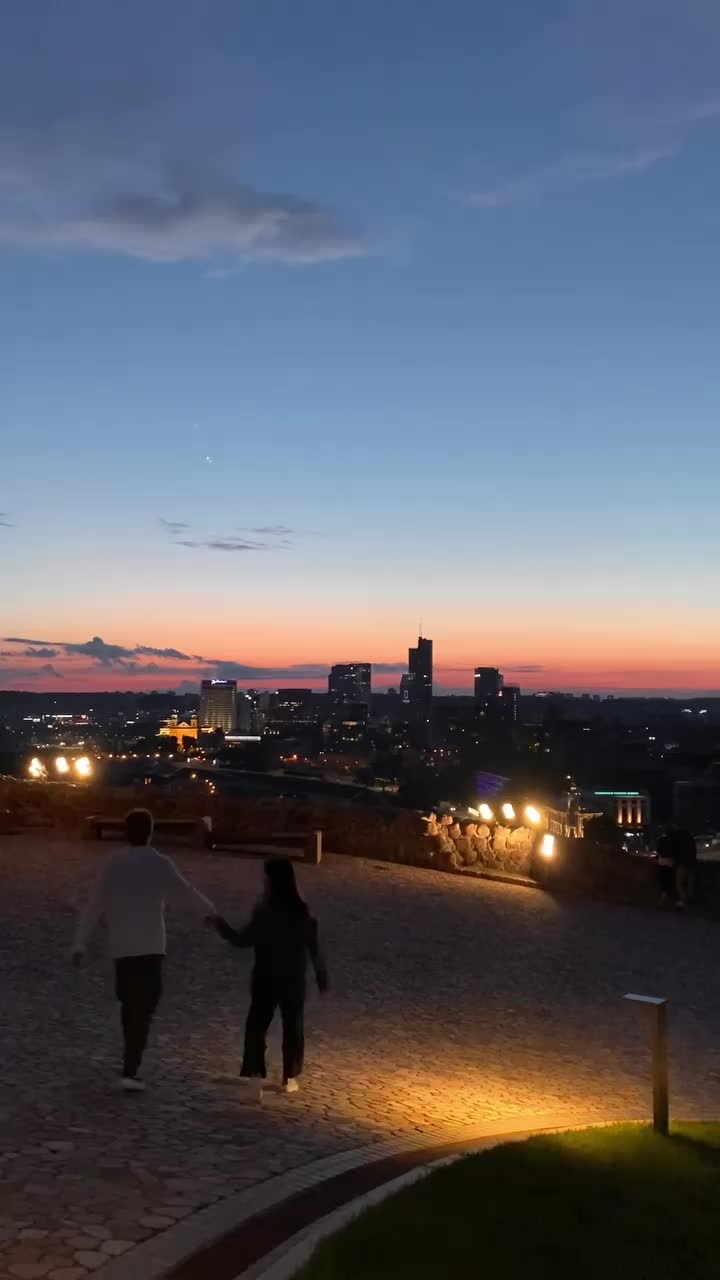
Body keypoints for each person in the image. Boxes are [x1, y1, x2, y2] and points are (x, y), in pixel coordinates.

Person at [72, 808, 218, 1092]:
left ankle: (130, 1063)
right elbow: (185, 892)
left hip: (123, 946)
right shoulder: (160, 863)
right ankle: (131, 1066)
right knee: (145, 1006)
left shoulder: (114, 864)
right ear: (150, 832)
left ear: (127, 832)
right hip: (151, 946)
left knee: (130, 1006)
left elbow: (94, 906)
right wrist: (211, 914)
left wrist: (80, 943)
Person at [215, 857, 327, 1097]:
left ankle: (255, 1078)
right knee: (292, 1027)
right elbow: (314, 949)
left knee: (256, 1025)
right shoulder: (303, 913)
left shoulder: (265, 913)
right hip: (293, 979)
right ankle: (289, 1078)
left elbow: (242, 940)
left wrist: (221, 926)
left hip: (265, 976)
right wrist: (321, 976)